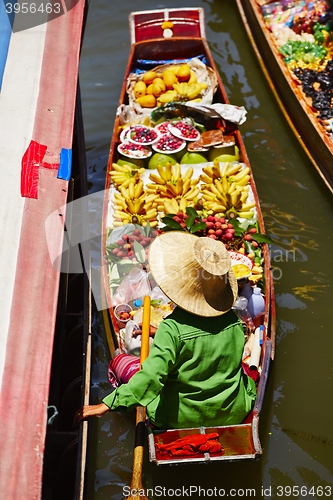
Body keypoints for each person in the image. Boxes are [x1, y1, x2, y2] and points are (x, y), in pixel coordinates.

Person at [73, 232, 257, 429]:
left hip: (180, 418)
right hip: (234, 412)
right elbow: (205, 345)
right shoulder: (234, 322)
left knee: (121, 362)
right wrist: (158, 332)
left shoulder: (172, 328)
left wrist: (105, 405)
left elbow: (151, 378)